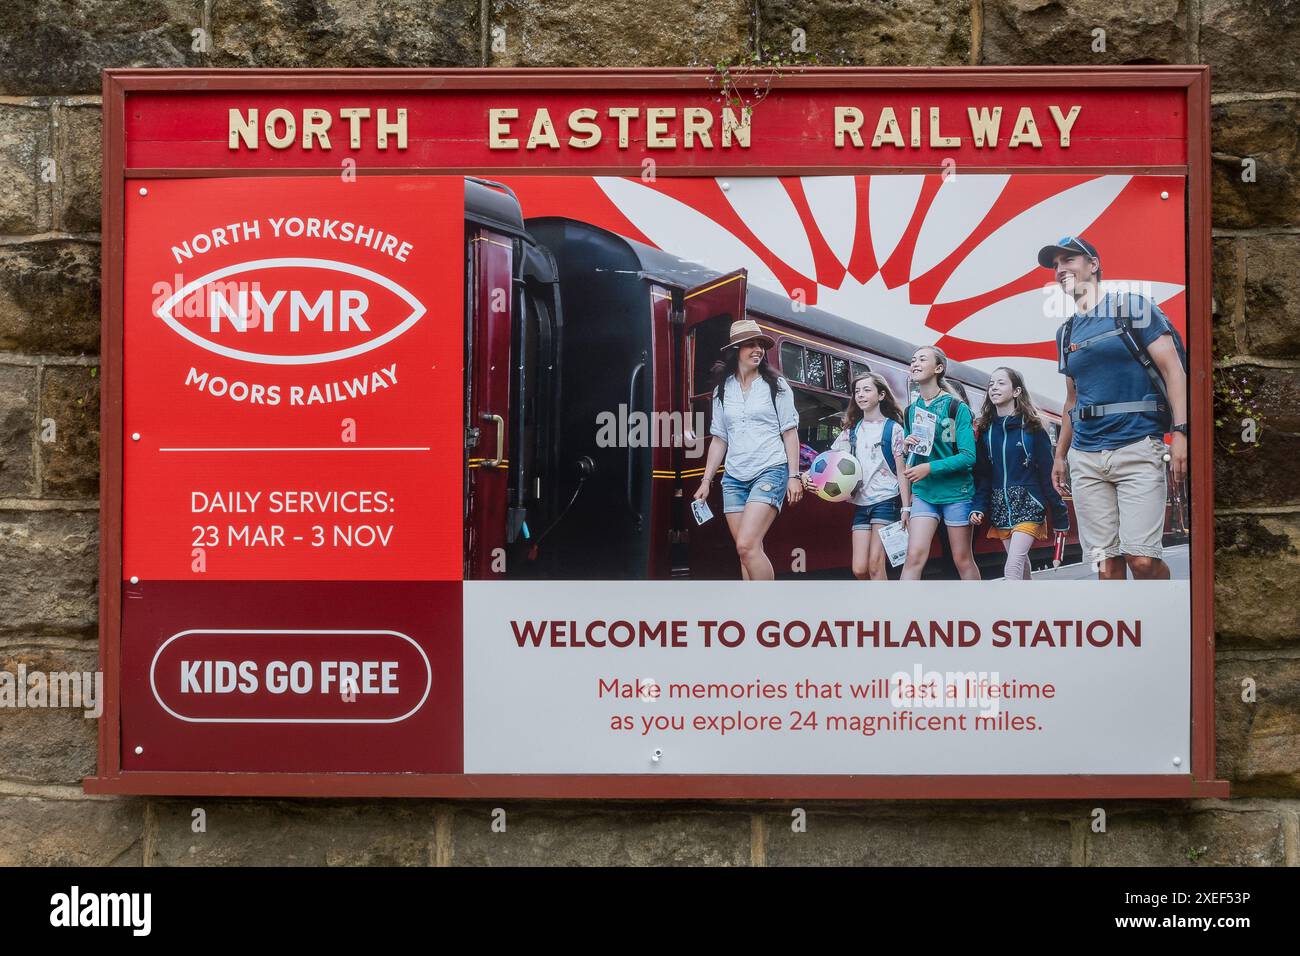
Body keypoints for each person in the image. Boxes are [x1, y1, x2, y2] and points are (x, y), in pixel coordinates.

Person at [1040, 235, 1188, 580]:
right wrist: (1061, 456)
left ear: (1093, 265)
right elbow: (1071, 401)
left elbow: (1173, 370)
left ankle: (1158, 622)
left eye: (1069, 260)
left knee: (1142, 560)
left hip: (1137, 446)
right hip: (1086, 457)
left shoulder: (1132, 308)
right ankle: (1123, 632)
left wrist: (1180, 432)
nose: (1061, 269)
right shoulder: (1066, 333)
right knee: (1107, 566)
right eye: (1056, 265)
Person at [694, 318, 802, 579]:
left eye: (761, 345)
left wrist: (794, 475)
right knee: (747, 551)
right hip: (733, 477)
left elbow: (790, 432)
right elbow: (720, 438)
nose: (758, 350)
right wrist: (706, 481)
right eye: (750, 345)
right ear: (736, 350)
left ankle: (769, 611)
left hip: (770, 470)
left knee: (746, 544)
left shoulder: (776, 386)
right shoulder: (722, 390)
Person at [802, 371, 910, 580]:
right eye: (857, 391)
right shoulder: (850, 431)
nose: (860, 395)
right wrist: (806, 475)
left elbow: (901, 472)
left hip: (886, 500)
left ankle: (884, 611)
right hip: (860, 503)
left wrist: (906, 507)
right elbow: (828, 459)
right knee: (859, 568)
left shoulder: (894, 429)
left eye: (867, 390)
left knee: (875, 566)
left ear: (881, 395)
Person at [970, 366, 1069, 580]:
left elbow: (1046, 474)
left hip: (1029, 505)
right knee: (1021, 564)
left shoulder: (1033, 428)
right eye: (991, 384)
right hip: (1000, 508)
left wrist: (1060, 516)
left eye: (1001, 383)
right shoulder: (985, 431)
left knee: (1012, 567)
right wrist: (978, 506)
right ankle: (1030, 606)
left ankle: (1012, 610)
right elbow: (984, 475)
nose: (994, 387)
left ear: (1016, 392)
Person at [899, 345, 981, 581]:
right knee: (913, 556)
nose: (914, 363)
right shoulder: (910, 411)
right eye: (913, 360)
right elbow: (911, 458)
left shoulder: (956, 408)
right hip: (925, 493)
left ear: (938, 368)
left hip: (956, 492)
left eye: (922, 359)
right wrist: (906, 449)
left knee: (962, 559)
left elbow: (968, 457)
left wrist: (929, 468)